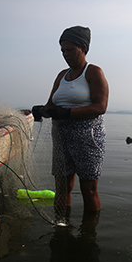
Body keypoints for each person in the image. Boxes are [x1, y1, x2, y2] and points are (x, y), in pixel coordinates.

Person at [32, 26, 109, 217]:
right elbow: (51, 105)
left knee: (88, 189)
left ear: (83, 47)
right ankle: (61, 227)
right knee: (62, 188)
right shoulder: (61, 76)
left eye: (69, 50)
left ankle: (89, 234)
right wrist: (42, 110)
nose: (65, 54)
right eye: (62, 51)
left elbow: (100, 107)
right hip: (61, 137)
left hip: (88, 138)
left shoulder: (93, 72)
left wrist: (67, 113)